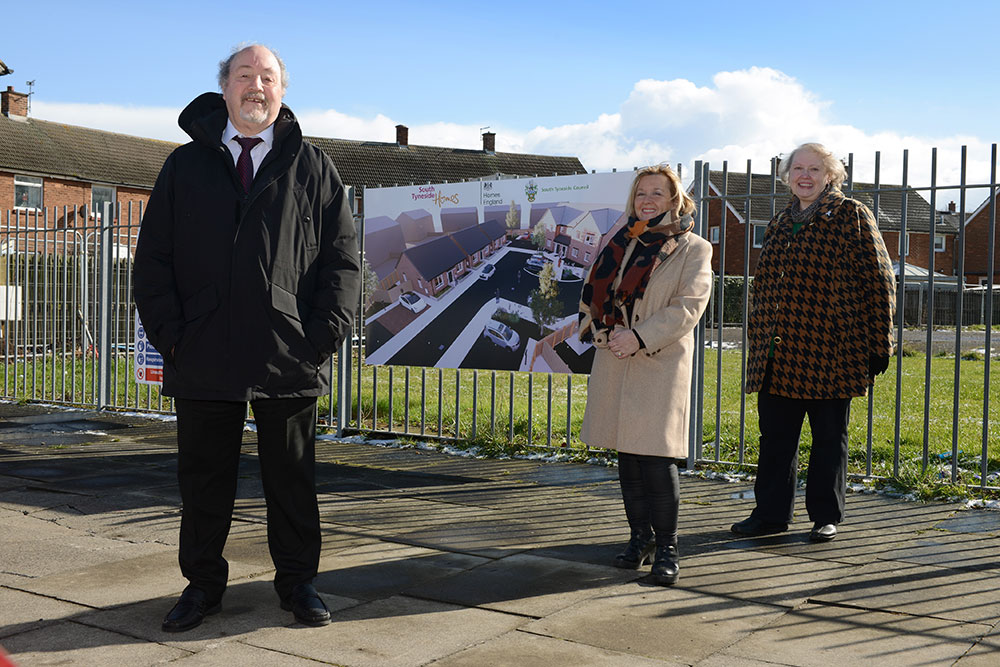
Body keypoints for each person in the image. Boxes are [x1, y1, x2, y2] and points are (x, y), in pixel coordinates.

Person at [134, 44, 361, 632]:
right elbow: (152, 260)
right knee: (204, 484)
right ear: (224, 88)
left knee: (292, 482)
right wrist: (173, 338)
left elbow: (342, 263)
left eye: (267, 77)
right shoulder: (184, 167)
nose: (255, 86)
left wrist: (319, 340)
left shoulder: (315, 168)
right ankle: (202, 585)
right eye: (244, 75)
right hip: (203, 355)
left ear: (283, 91)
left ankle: (298, 585)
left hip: (288, 355)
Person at [731, 142, 895, 543]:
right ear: (788, 176)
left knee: (827, 440)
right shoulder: (779, 222)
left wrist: (879, 343)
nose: (804, 176)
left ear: (831, 175)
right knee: (775, 442)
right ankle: (770, 514)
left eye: (814, 169)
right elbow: (765, 287)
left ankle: (825, 515)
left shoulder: (851, 215)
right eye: (797, 169)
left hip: (832, 351)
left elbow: (880, 280)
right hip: (778, 353)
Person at [578, 165, 713, 585]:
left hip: (659, 360)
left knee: (656, 457)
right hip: (615, 358)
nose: (648, 200)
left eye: (657, 193)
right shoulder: (621, 242)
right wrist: (605, 334)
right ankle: (640, 538)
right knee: (627, 458)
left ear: (675, 200)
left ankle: (669, 547)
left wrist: (638, 337)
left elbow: (688, 307)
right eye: (641, 193)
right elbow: (595, 294)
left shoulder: (694, 248)